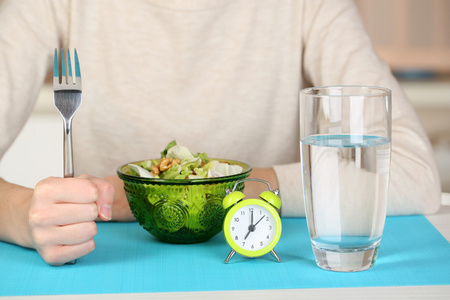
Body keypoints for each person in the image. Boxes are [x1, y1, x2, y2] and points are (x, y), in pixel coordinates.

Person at [0, 0, 441, 266]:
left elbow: (414, 175)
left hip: (260, 264)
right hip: (105, 262)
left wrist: (199, 190)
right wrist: (19, 212)